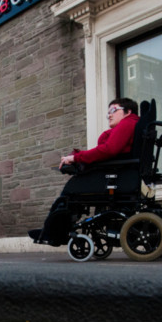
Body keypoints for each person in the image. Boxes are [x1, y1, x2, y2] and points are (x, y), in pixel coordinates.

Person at [31, 98, 140, 245]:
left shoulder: (127, 123)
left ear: (128, 112)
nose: (109, 115)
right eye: (108, 112)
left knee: (69, 192)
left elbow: (109, 150)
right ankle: (53, 231)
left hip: (116, 176)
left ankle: (53, 233)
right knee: (72, 188)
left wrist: (76, 158)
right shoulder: (132, 124)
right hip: (120, 173)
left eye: (113, 110)